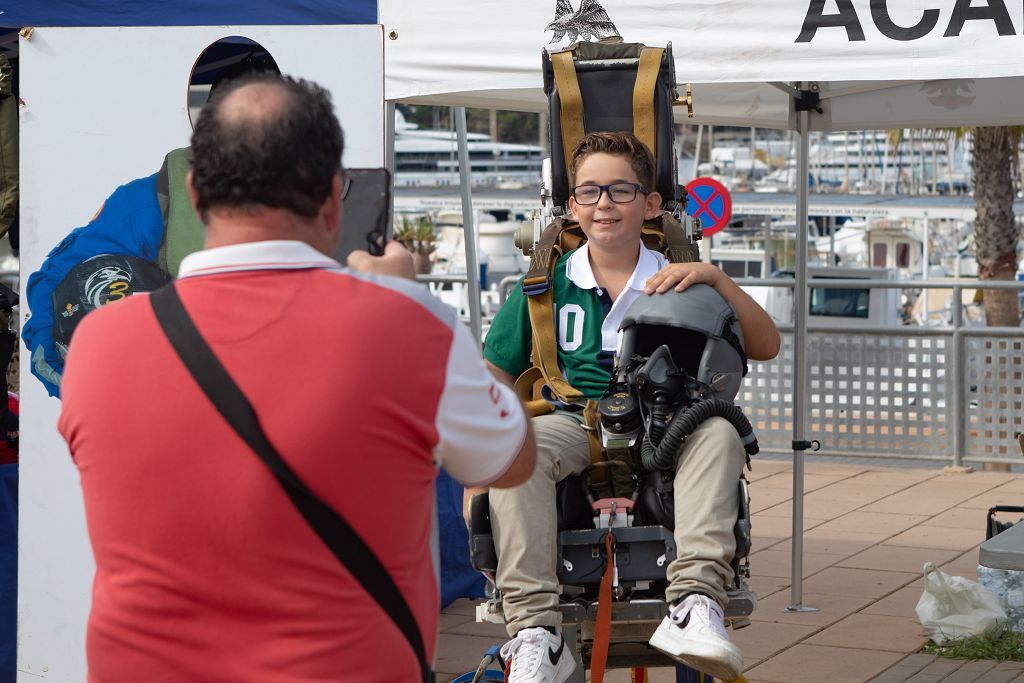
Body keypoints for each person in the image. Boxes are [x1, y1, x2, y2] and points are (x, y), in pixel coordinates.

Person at [58, 73, 536, 682]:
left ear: (194, 193)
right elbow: (510, 459)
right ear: (335, 196)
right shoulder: (404, 325)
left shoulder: (99, 345)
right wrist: (402, 299)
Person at [475, 132, 781, 682]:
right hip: (572, 424)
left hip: (662, 426)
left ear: (652, 203)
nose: (604, 204)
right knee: (512, 445)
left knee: (718, 432)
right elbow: (494, 375)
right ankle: (535, 633)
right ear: (572, 207)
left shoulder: (680, 279)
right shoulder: (544, 289)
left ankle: (695, 602)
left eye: (620, 190)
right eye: (590, 192)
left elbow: (765, 344)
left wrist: (715, 278)